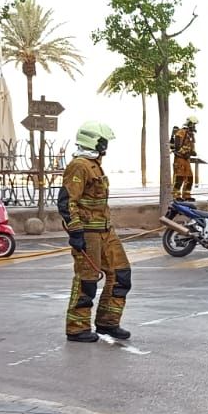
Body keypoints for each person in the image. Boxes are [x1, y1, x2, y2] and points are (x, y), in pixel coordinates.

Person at [59, 121, 131, 344]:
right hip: (88, 233)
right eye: (103, 141)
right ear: (94, 141)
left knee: (121, 275)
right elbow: (66, 201)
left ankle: (108, 322)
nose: (105, 145)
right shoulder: (79, 166)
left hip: (106, 231)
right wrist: (76, 232)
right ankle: (77, 327)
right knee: (87, 281)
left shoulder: (94, 165)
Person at [170, 117, 197, 201]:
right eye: (194, 125)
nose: (194, 127)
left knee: (190, 178)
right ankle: (176, 196)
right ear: (190, 124)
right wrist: (184, 153)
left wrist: (192, 152)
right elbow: (177, 146)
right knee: (179, 177)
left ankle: (186, 195)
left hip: (186, 160)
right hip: (179, 159)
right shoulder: (181, 132)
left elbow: (191, 148)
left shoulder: (190, 135)